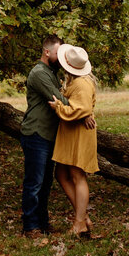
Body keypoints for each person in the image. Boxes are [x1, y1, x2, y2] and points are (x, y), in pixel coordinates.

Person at [19, 34, 95, 237]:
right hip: (36, 132)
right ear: (46, 52)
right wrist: (84, 111)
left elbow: (74, 98)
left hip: (49, 135)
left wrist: (85, 110)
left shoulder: (52, 72)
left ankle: (42, 223)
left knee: (45, 183)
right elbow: (59, 99)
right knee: (34, 182)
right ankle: (30, 226)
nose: (61, 59)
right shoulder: (39, 73)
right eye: (57, 53)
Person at [48, 43, 98, 238]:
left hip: (79, 133)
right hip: (71, 131)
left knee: (77, 176)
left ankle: (79, 222)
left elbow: (82, 109)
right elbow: (81, 106)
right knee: (61, 173)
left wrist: (58, 107)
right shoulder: (74, 81)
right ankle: (83, 216)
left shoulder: (82, 83)